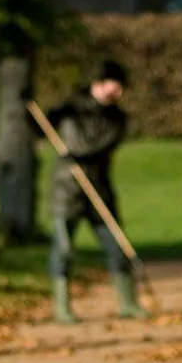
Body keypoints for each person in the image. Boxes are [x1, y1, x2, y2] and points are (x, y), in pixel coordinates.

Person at [40, 59, 148, 323]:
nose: (119, 91)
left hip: (99, 190)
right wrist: (28, 108)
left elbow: (101, 148)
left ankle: (129, 303)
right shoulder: (71, 109)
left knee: (116, 246)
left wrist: (77, 156)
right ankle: (62, 308)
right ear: (99, 83)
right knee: (63, 249)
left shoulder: (117, 119)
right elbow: (40, 126)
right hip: (66, 191)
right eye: (116, 84)